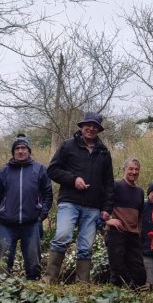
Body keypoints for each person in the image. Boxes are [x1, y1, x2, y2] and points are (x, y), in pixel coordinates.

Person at [45, 112, 114, 283]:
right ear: (82, 126)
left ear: (99, 130)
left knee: (85, 247)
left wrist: (107, 209)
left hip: (93, 206)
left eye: (95, 126)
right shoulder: (67, 146)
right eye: (88, 125)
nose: (91, 129)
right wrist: (73, 179)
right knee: (62, 237)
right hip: (69, 202)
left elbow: (109, 183)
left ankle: (82, 285)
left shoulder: (104, 152)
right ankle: (49, 281)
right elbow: (52, 170)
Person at [0, 134, 53, 280]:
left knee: (33, 262)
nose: (20, 151)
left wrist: (41, 215)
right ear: (13, 152)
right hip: (7, 223)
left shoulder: (40, 169)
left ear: (29, 150)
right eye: (17, 148)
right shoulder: (4, 171)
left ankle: (32, 286)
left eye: (23, 148)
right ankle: (1, 287)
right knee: (3, 261)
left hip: (32, 222)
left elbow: (48, 194)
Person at [104, 158, 147, 287]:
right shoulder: (115, 185)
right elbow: (101, 203)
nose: (134, 172)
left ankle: (135, 295)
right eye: (131, 169)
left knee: (139, 273)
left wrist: (139, 230)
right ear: (124, 169)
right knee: (117, 271)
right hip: (116, 233)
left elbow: (140, 214)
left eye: (136, 169)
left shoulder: (140, 191)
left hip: (133, 235)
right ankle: (114, 296)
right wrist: (107, 220)